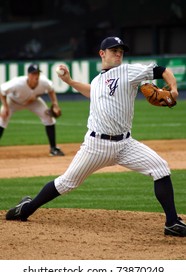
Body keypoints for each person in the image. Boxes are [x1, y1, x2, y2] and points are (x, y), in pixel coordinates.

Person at [5, 37, 186, 237]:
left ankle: (171, 222)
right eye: (113, 50)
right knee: (66, 183)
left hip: (125, 144)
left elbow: (161, 70)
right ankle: (26, 209)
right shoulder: (97, 80)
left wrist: (174, 88)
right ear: (102, 54)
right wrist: (70, 82)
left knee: (160, 168)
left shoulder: (128, 71)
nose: (118, 53)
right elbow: (92, 91)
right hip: (96, 146)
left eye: (121, 51)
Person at [0, 63, 64, 156]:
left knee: (48, 118)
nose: (36, 76)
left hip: (33, 102)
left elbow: (51, 90)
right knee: (2, 120)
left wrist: (55, 104)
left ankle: (53, 149)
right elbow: (2, 91)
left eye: (37, 73)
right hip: (13, 102)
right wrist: (5, 107)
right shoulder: (17, 83)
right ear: (29, 75)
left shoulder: (44, 82)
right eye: (33, 74)